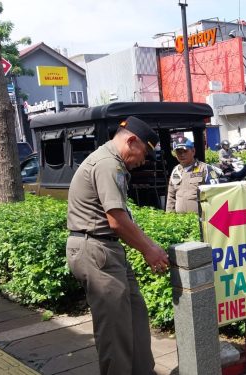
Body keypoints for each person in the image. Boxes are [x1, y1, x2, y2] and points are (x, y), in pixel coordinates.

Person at [65, 116, 169, 375]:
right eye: (143, 154)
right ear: (131, 140)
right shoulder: (108, 164)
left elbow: (121, 219)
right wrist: (149, 249)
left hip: (107, 250)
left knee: (135, 319)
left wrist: (149, 244)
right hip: (96, 250)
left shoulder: (113, 163)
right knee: (115, 333)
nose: (142, 161)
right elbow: (116, 221)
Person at [166, 138, 219, 213]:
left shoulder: (205, 169)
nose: (182, 155)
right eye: (178, 152)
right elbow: (171, 196)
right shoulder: (175, 171)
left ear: (193, 151)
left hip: (201, 220)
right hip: (180, 220)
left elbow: (215, 194)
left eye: (185, 151)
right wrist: (170, 217)